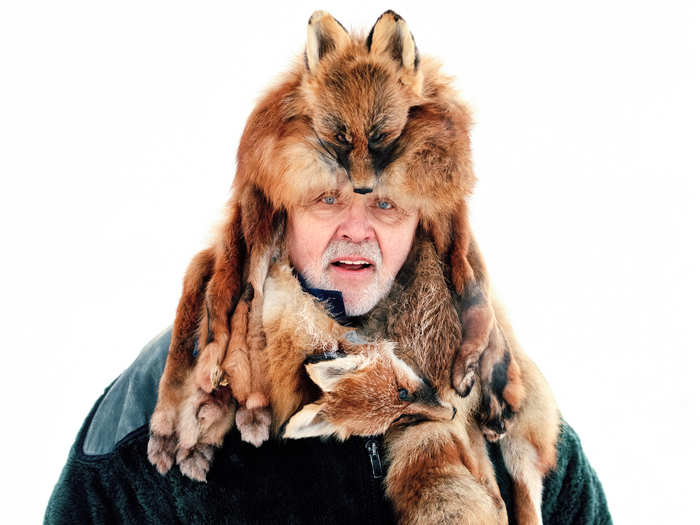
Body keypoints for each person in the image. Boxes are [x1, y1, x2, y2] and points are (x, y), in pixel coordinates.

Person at [45, 10, 611, 524]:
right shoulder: (180, 393)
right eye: (327, 199)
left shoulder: (494, 389)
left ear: (424, 222)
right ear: (279, 211)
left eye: (386, 204)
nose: (357, 228)